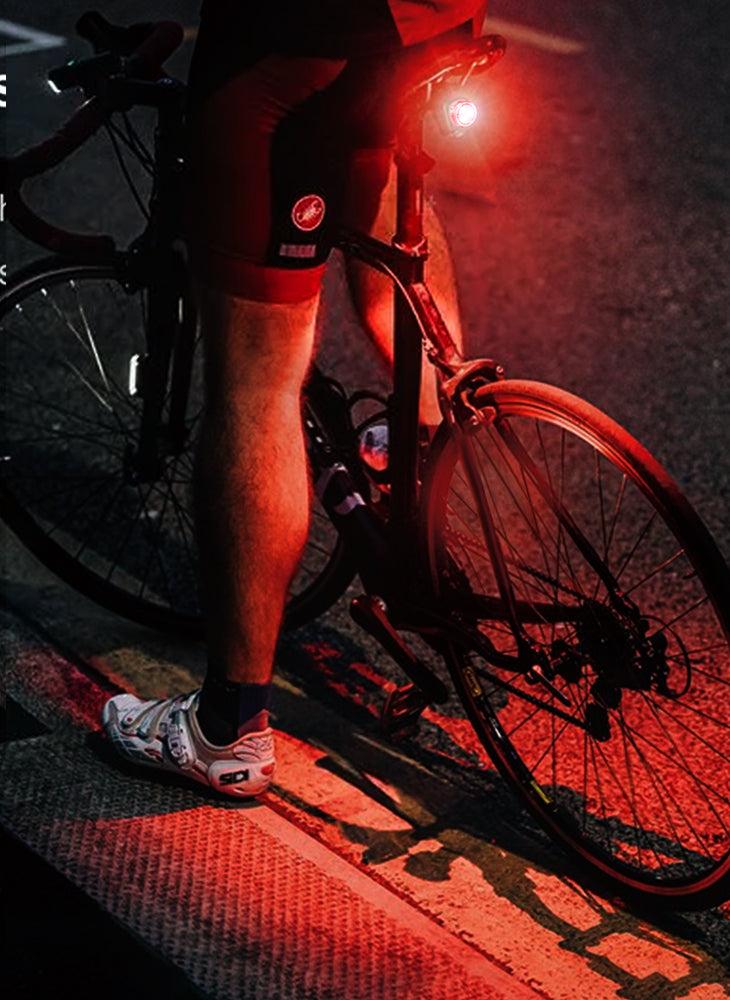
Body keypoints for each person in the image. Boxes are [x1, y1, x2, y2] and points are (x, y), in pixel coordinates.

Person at [101, 1, 487, 797]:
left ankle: (228, 731)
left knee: (255, 382)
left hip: (305, 37)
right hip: (436, 17)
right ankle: (428, 475)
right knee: (380, 172)